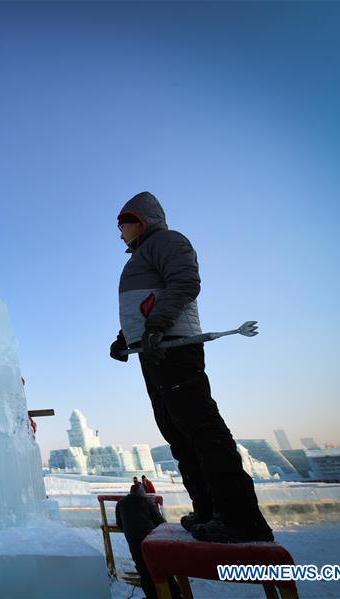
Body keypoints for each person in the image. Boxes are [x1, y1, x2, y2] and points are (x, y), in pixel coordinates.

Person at [109, 192, 273, 544]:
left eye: (122, 225)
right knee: (178, 433)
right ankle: (210, 510)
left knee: (201, 427)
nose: (119, 233)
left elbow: (185, 282)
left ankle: (241, 517)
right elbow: (143, 306)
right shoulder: (142, 255)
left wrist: (157, 326)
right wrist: (125, 339)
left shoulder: (167, 241)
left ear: (139, 221)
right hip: (153, 350)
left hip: (174, 347)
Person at [115, 483, 181, 599]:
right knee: (161, 569)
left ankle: (152, 596)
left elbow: (120, 524)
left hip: (133, 543)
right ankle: (174, 595)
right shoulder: (147, 501)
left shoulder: (120, 503)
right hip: (150, 541)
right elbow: (160, 522)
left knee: (144, 571)